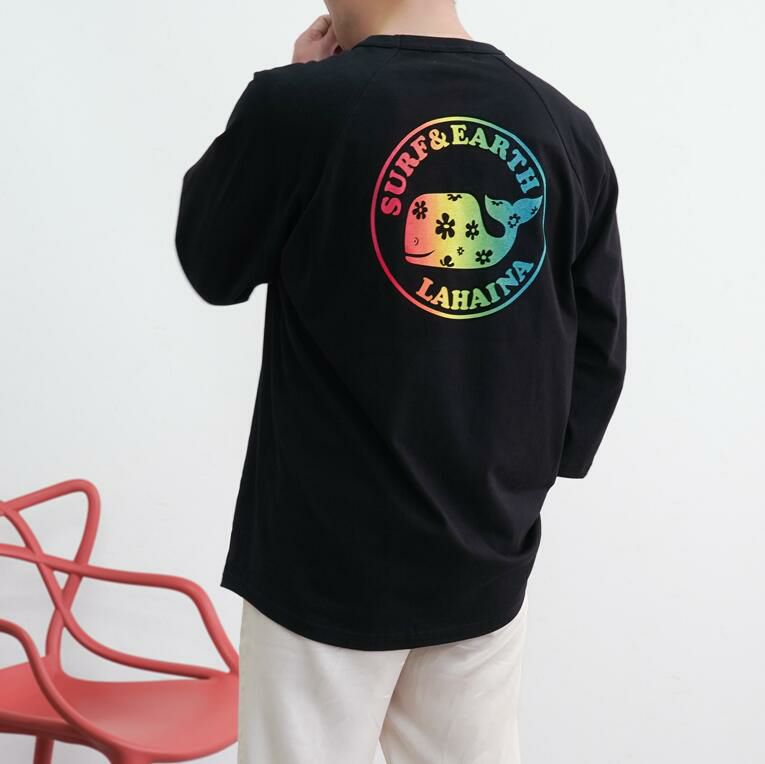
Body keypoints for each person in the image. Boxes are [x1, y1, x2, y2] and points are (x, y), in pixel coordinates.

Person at [174, 1, 627, 762]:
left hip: (322, 557)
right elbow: (599, 343)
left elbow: (212, 264)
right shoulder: (561, 125)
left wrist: (292, 93)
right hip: (483, 553)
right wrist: (514, 485)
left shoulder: (299, 106)